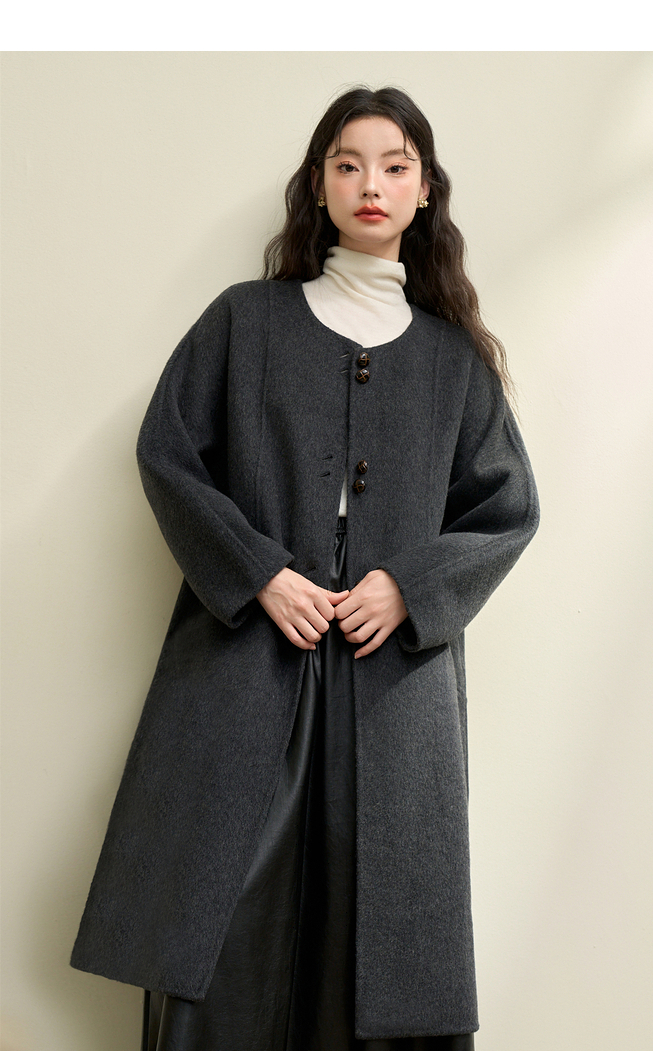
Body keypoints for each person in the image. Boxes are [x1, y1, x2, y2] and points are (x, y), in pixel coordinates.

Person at [70, 86, 540, 1051]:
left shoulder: (454, 361)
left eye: (395, 166)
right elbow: (168, 454)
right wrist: (258, 572)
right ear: (318, 185)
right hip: (248, 659)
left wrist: (409, 586)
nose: (372, 183)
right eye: (348, 163)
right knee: (223, 924)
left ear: (424, 190)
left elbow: (508, 509)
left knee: (382, 935)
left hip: (394, 680)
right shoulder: (245, 322)